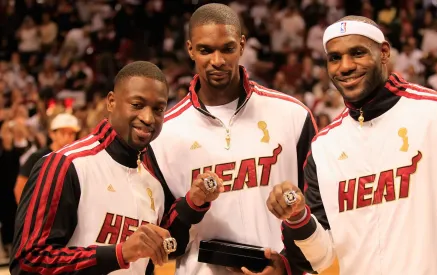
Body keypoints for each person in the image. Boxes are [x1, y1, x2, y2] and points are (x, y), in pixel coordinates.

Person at [265, 16, 437, 275]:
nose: (345, 66)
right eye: (335, 58)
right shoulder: (323, 147)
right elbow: (323, 259)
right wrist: (298, 217)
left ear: (384, 53)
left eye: (357, 53)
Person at [149, 3, 317, 275]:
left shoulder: (293, 115)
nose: (217, 61)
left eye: (227, 48)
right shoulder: (162, 134)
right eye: (206, 50)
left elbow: (319, 211)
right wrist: (191, 205)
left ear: (241, 45)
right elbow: (166, 242)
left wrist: (288, 264)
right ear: (190, 49)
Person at [10, 61, 222, 275]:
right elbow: (28, 262)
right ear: (111, 102)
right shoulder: (66, 164)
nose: (148, 118)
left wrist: (193, 203)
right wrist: (119, 254)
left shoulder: (153, 176)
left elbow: (165, 249)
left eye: (158, 109)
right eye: (137, 105)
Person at [14, 113, 80, 204]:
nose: (67, 137)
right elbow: (20, 186)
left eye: (71, 133)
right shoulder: (38, 157)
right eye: (63, 132)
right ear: (52, 134)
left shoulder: (78, 159)